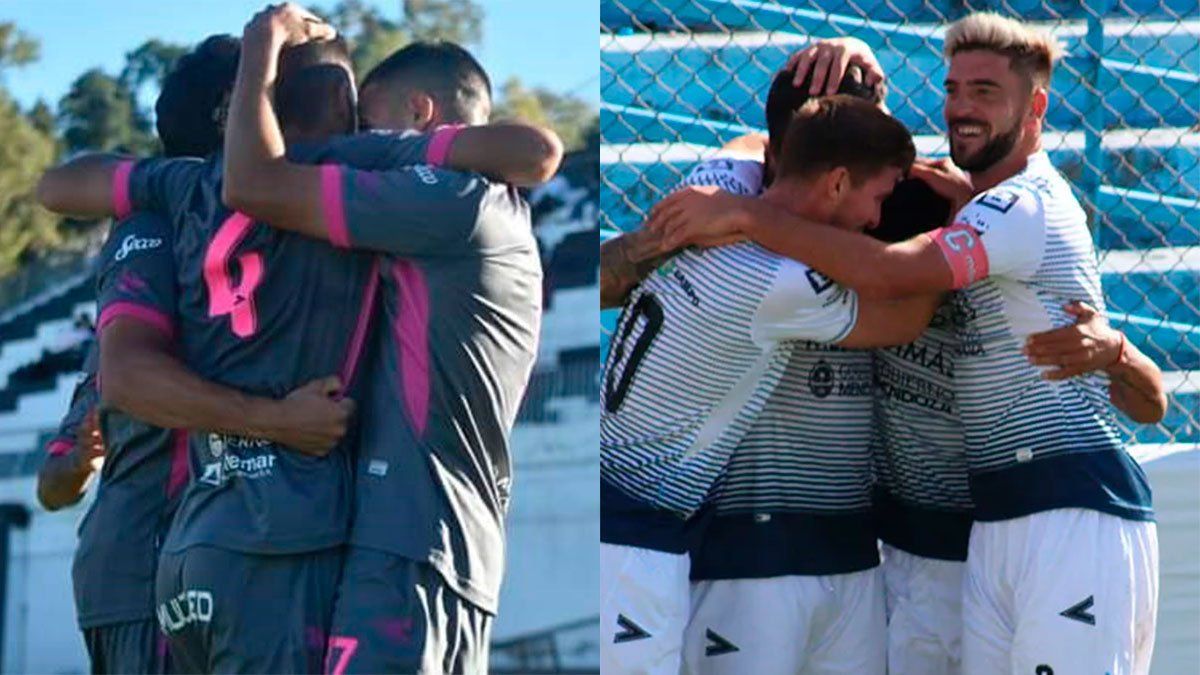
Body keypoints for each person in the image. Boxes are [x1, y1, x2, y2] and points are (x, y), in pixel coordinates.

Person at [649, 13, 1166, 674]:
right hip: (924, 545)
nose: (961, 108)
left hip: (1046, 513)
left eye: (985, 92)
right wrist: (854, 57)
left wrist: (1119, 350)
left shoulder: (1021, 210)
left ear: (1035, 106)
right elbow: (778, 147)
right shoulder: (904, 194)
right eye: (952, 90)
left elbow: (1147, 405)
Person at [220, 9, 548, 672]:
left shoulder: (450, 199)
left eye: (366, 125)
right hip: (439, 544)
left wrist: (261, 48)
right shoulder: (483, 208)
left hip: (409, 546)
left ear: (421, 112)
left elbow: (255, 184)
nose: (355, 142)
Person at [602, 95, 945, 675]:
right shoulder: (782, 282)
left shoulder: (713, 187)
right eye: (878, 198)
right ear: (837, 183)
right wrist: (961, 225)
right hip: (633, 533)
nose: (877, 220)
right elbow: (902, 312)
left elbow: (743, 149)